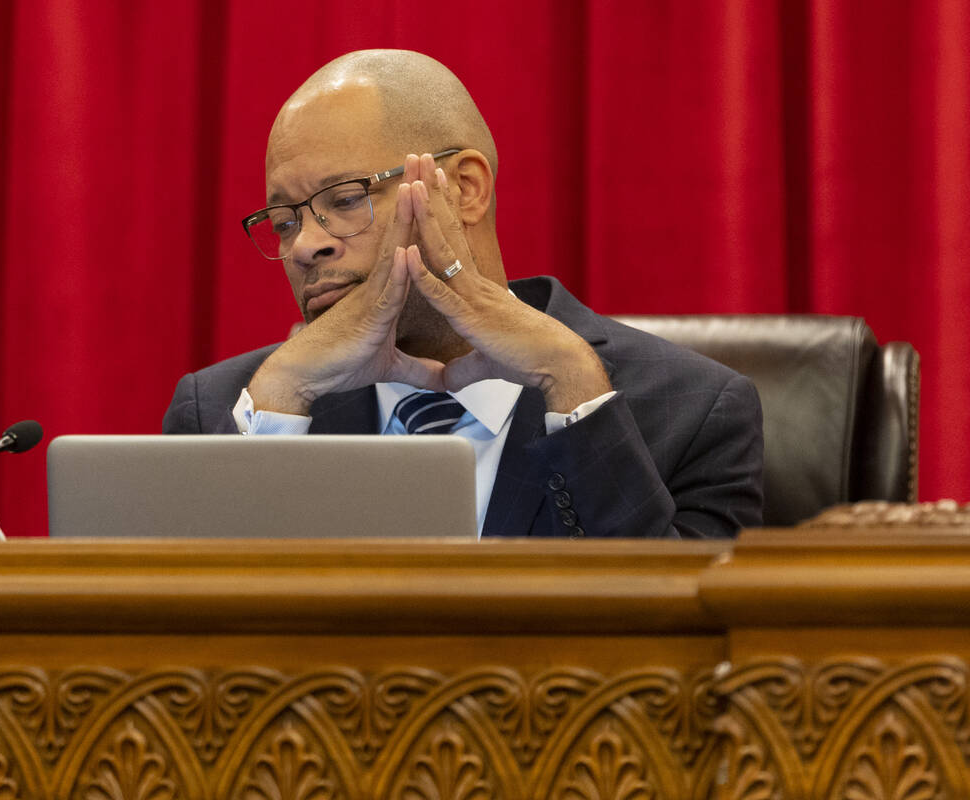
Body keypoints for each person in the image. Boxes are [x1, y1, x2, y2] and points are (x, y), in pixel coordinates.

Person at [163, 50, 763, 539]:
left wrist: (571, 382)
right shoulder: (225, 412)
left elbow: (673, 656)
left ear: (465, 189)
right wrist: (281, 395)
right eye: (285, 219)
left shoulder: (693, 411)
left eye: (344, 199)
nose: (303, 247)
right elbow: (182, 657)